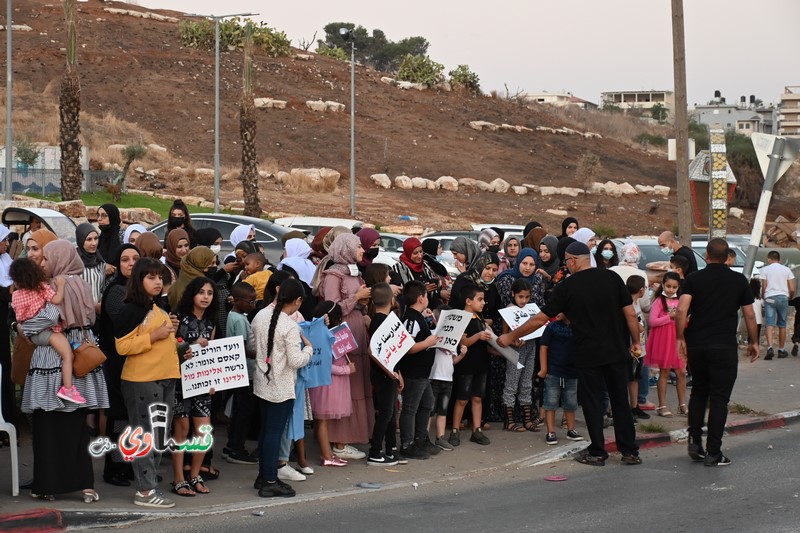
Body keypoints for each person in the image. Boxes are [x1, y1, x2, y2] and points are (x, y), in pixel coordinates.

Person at [498, 241, 642, 467]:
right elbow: (631, 315)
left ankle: (598, 452)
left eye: (566, 261)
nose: (566, 265)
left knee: (593, 402)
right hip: (616, 351)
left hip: (588, 354)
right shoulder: (612, 278)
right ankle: (630, 451)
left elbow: (540, 319)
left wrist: (509, 336)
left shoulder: (567, 286)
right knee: (620, 401)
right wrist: (636, 342)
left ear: (573, 260)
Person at [21, 239, 109, 503]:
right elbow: (90, 317)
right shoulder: (81, 282)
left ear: (58, 259)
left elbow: (45, 319)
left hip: (51, 361)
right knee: (76, 428)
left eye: (46, 258)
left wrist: (23, 325)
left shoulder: (55, 285)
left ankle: (47, 484)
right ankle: (85, 484)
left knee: (48, 427)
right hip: (79, 356)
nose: (42, 262)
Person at [676, 238, 758, 466]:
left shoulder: (693, 279)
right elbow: (750, 315)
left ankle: (694, 439)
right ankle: (714, 452)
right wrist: (754, 341)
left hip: (697, 344)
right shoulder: (738, 280)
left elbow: (682, 309)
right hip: (724, 345)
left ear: (708, 256)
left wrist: (680, 337)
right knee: (720, 398)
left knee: (699, 392)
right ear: (728, 258)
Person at [115, 258, 180, 507]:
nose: (157, 282)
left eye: (160, 277)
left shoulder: (157, 305)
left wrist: (178, 344)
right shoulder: (132, 308)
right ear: (139, 280)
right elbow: (121, 346)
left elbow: (163, 343)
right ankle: (144, 492)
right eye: (151, 277)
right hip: (142, 380)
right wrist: (154, 335)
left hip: (164, 377)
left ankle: (148, 486)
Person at [251, 278, 313, 498]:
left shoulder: (260, 316)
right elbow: (296, 361)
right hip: (281, 387)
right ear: (297, 300)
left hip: (262, 383)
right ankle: (269, 480)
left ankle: (264, 475)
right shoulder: (290, 326)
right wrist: (309, 350)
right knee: (274, 434)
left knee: (266, 432)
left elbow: (251, 345)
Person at [319, 233, 373, 459]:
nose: (363, 250)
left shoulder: (355, 272)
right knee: (344, 389)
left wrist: (363, 304)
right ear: (347, 248)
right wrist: (356, 297)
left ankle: (348, 438)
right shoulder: (333, 275)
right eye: (359, 246)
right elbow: (330, 310)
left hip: (358, 329)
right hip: (343, 333)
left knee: (356, 385)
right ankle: (338, 443)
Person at [10, 257, 85, 404]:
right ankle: (68, 388)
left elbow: (19, 318)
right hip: (47, 332)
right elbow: (56, 300)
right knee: (68, 355)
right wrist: (61, 285)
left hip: (32, 335)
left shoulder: (16, 295)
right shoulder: (41, 287)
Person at [98, 244, 140, 487]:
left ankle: (128, 465)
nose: (130, 263)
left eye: (135, 258)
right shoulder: (115, 290)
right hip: (117, 362)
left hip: (138, 362)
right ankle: (114, 468)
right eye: (125, 259)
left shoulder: (140, 290)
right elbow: (123, 321)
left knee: (134, 418)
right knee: (119, 416)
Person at [396, 280, 439, 459]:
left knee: (427, 404)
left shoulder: (418, 316)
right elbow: (407, 347)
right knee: (410, 408)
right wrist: (427, 343)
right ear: (421, 298)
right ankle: (407, 444)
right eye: (427, 296)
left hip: (423, 372)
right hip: (414, 372)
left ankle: (421, 438)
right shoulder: (410, 319)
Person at [308, 300, 353, 467]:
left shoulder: (325, 333)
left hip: (331, 384)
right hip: (328, 385)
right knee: (323, 420)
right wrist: (346, 370)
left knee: (324, 421)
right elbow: (325, 365)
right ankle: (326, 455)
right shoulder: (324, 336)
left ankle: (328, 453)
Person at [450, 284, 493, 446]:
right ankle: (455, 430)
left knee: (477, 397)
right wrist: (479, 335)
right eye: (480, 299)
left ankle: (477, 429)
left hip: (481, 363)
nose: (483, 303)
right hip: (466, 364)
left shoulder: (479, 318)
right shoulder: (461, 318)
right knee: (462, 398)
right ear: (468, 301)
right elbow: (463, 341)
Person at [366, 284, 403, 465]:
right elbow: (372, 351)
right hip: (382, 374)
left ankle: (390, 449)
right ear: (391, 300)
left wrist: (398, 373)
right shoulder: (380, 321)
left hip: (389, 373)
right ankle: (374, 451)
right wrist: (390, 372)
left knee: (390, 412)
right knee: (386, 413)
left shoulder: (384, 319)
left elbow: (392, 352)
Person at [223, 282, 258, 465]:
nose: (253, 305)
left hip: (239, 372)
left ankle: (231, 445)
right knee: (243, 412)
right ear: (238, 301)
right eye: (250, 301)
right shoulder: (240, 320)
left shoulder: (233, 315)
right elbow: (241, 348)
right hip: (245, 372)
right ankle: (237, 449)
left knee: (237, 410)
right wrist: (262, 354)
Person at [537, 313, 583, 445]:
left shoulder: (578, 327)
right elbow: (543, 347)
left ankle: (571, 429)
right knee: (550, 402)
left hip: (572, 371)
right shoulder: (552, 327)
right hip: (553, 371)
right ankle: (550, 431)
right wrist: (544, 368)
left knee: (571, 403)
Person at [646, 272, 687, 418]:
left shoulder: (681, 300)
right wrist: (668, 317)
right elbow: (652, 321)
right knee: (664, 372)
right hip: (664, 340)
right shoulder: (659, 301)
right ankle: (662, 405)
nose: (671, 289)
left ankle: (682, 404)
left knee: (681, 372)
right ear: (663, 285)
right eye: (668, 286)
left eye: (674, 287)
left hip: (678, 339)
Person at [501, 279, 539, 432]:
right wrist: (512, 342)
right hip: (515, 350)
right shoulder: (508, 311)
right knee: (512, 383)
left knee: (526, 382)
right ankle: (509, 420)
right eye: (520, 297)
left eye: (527, 297)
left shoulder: (531, 309)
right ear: (513, 294)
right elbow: (504, 336)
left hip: (531, 346)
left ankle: (527, 419)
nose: (524, 300)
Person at [428, 304, 466, 451]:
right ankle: (424, 438)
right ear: (436, 320)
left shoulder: (453, 338)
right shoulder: (432, 334)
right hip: (434, 377)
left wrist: (462, 354)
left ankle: (440, 438)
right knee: (430, 410)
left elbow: (452, 360)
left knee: (442, 410)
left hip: (448, 379)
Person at [759, 251, 795, 359]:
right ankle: (781, 350)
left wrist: (764, 296)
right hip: (783, 297)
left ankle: (770, 348)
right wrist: (789, 297)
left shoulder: (765, 269)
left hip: (770, 298)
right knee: (782, 324)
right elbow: (792, 288)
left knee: (769, 324)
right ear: (779, 259)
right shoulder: (786, 270)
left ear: (769, 259)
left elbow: (764, 287)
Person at [626, 275, 651, 421]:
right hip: (631, 348)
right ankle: (625, 408)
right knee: (628, 377)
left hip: (640, 348)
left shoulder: (637, 304)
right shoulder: (628, 305)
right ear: (642, 290)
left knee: (635, 378)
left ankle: (634, 406)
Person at [392, 237, 441, 308]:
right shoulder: (400, 267)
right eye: (415, 253)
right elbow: (403, 291)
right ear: (408, 253)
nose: (420, 256)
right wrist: (422, 290)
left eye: (421, 252)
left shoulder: (425, 265)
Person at [74, 223, 107, 314]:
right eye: (89, 239)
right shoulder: (73, 263)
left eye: (96, 238)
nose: (94, 243)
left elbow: (101, 288)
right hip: (80, 315)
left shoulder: (100, 262)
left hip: (97, 314)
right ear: (81, 240)